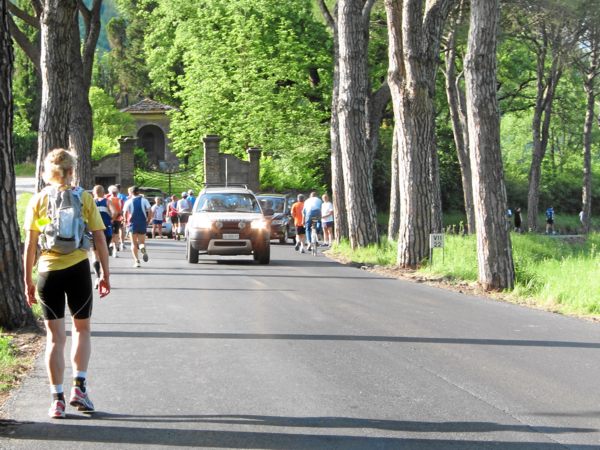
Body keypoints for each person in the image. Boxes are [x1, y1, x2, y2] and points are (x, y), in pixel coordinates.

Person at [23, 148, 110, 419]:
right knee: (82, 329)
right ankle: (79, 388)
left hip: (48, 272)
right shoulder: (84, 198)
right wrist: (105, 274)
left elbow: (30, 244)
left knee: (54, 338)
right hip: (78, 269)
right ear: (72, 170)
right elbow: (99, 239)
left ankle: (57, 400)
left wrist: (27, 280)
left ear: (47, 172)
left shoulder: (38, 199)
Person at [92, 185, 115, 287]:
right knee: (104, 254)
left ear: (94, 192)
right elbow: (115, 212)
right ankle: (103, 275)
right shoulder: (107, 201)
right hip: (106, 230)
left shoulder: (91, 201)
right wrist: (111, 220)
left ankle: (97, 277)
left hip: (94, 230)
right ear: (103, 192)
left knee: (95, 255)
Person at [123, 186, 152, 267]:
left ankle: (137, 261)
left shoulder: (128, 201)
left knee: (133, 243)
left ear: (131, 193)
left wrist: (125, 221)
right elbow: (150, 210)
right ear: (138, 192)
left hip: (132, 224)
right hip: (142, 223)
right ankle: (143, 250)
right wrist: (148, 220)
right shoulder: (144, 200)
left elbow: (124, 213)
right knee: (141, 242)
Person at [106, 185, 124, 255]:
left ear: (110, 192)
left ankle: (110, 245)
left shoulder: (107, 200)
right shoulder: (120, 201)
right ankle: (115, 249)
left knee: (109, 233)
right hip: (118, 219)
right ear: (117, 192)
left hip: (109, 219)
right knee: (116, 234)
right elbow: (122, 211)